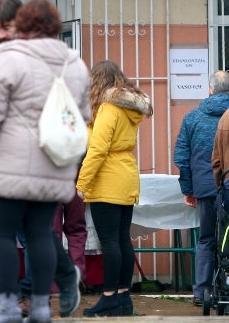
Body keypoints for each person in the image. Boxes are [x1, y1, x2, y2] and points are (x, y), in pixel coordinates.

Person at [0, 0, 91, 323]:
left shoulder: (5, 60)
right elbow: (83, 116)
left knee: (1, 232)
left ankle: (7, 305)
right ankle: (39, 306)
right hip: (54, 160)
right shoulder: (73, 62)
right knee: (40, 232)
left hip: (10, 159)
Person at [76, 60, 152, 318]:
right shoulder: (127, 109)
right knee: (122, 240)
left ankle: (108, 298)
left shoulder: (108, 108)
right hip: (126, 175)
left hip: (107, 179)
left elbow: (97, 149)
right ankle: (123, 298)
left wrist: (82, 183)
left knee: (109, 242)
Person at [173, 71, 229, 306]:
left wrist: (188, 189)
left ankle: (201, 291)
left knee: (206, 239)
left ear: (209, 90)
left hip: (204, 188)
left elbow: (181, 156)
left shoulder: (193, 118)